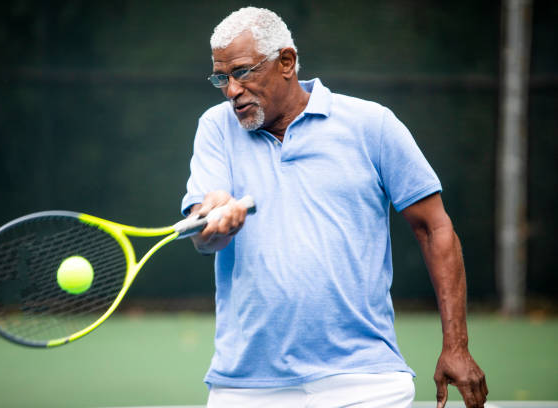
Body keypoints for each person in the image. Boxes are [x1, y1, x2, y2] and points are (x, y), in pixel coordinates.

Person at [181, 7, 488, 408]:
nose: (231, 90)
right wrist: (213, 222)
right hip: (246, 385)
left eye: (242, 72)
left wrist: (457, 346)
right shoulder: (216, 127)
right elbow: (204, 234)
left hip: (364, 381)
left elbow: (434, 228)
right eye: (221, 77)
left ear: (286, 61)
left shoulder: (371, 125)